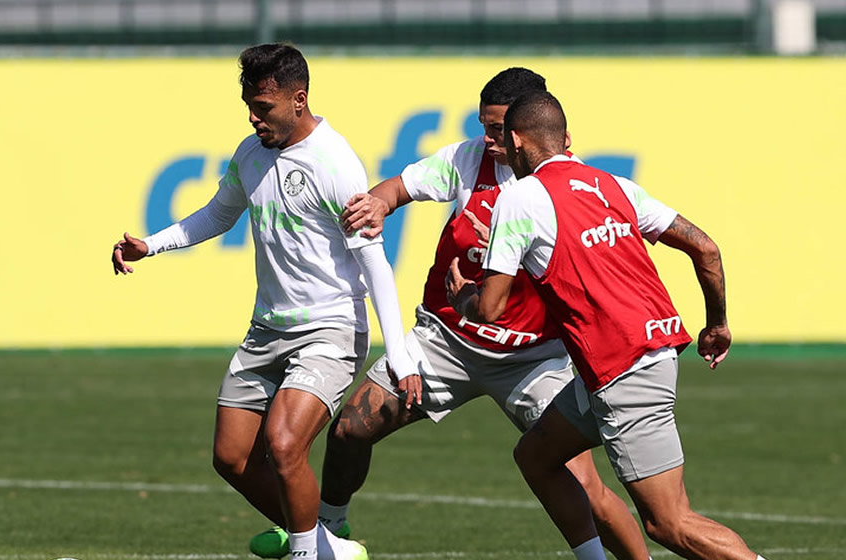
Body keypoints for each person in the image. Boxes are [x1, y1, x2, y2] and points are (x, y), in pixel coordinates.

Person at [249, 68, 649, 560]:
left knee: (584, 484)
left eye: (499, 129)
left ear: (526, 129)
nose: (489, 138)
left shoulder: (566, 185)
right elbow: (398, 187)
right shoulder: (466, 160)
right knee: (350, 429)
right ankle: (330, 533)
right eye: (484, 125)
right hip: (447, 343)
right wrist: (377, 204)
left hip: (533, 358)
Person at [112, 43, 417, 560]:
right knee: (230, 458)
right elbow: (216, 214)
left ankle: (305, 553)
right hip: (267, 329)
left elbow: (374, 264)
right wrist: (152, 244)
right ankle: (325, 545)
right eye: (249, 107)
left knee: (282, 444)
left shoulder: (335, 163)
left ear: (299, 100)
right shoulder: (249, 154)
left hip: (330, 329)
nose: (255, 119)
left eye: (264, 108)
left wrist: (401, 356)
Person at [448, 90, 764, 560]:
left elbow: (491, 309)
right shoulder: (612, 184)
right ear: (566, 139)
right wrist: (716, 323)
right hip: (627, 363)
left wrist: (464, 297)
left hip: (623, 370)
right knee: (535, 456)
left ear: (515, 141)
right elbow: (707, 249)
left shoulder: (519, 198)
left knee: (669, 522)